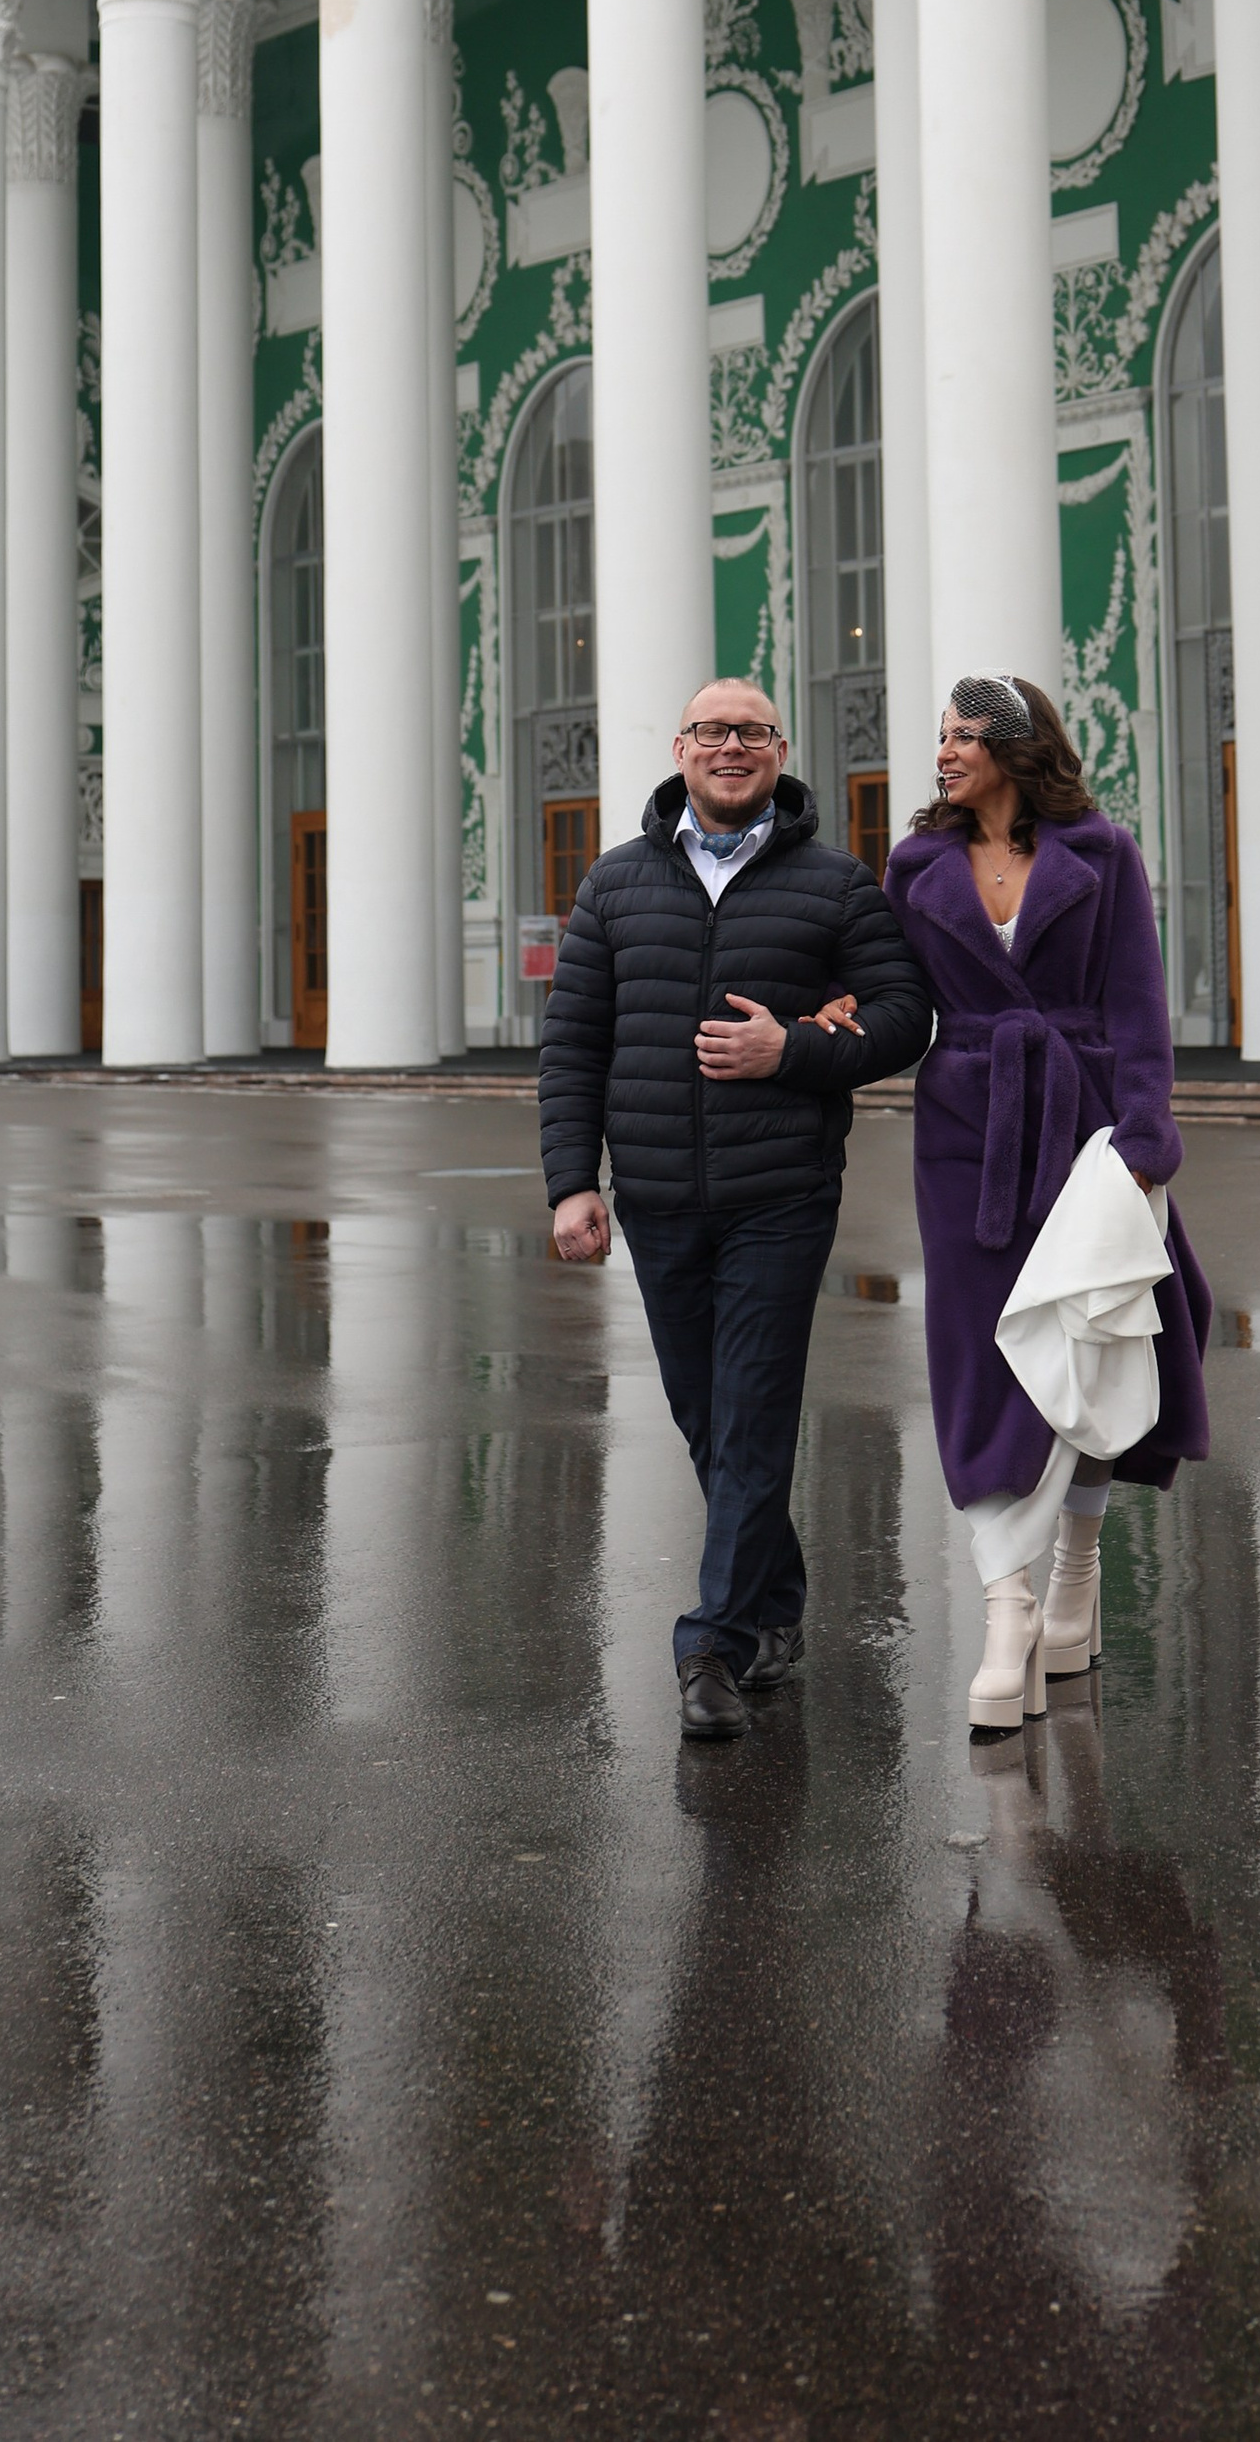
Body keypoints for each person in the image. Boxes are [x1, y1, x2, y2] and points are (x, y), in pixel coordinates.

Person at [540, 679, 931, 1741]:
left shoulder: (835, 885)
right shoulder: (617, 886)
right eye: (711, 731)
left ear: (778, 751)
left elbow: (906, 1017)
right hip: (660, 1200)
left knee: (751, 1409)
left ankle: (710, 1641)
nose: (731, 746)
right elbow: (573, 1045)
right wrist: (574, 1180)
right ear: (680, 749)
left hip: (780, 1198)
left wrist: (792, 1049)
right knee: (708, 1417)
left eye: (751, 732)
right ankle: (776, 1605)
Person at [884, 674, 1212, 1731]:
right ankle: (1006, 1608)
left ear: (1020, 751)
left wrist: (1147, 1137)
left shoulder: (1099, 855)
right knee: (982, 1354)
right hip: (965, 1135)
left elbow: (1136, 1000)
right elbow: (895, 991)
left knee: (1093, 1337)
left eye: (966, 736)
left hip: (1089, 1127)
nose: (945, 751)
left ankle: (1075, 1572)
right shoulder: (916, 864)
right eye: (941, 734)